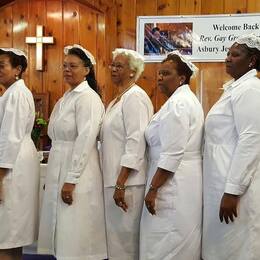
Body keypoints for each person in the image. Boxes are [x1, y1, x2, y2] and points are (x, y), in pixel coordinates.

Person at [37, 44, 107, 260]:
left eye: (73, 66)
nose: (67, 69)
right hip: (61, 163)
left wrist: (71, 179)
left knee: (76, 233)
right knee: (63, 233)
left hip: (79, 170)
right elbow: (56, 136)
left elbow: (85, 140)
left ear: (87, 69)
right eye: (65, 65)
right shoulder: (66, 97)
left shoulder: (88, 98)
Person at [140, 51, 204, 260]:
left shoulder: (179, 104)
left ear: (181, 78)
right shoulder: (180, 100)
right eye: (159, 73)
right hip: (179, 178)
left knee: (167, 241)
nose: (160, 77)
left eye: (166, 73)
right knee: (170, 238)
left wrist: (153, 189)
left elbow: (173, 153)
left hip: (173, 181)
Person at [202, 34, 260, 260]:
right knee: (222, 246)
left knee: (236, 247)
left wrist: (232, 191)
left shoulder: (251, 90)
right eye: (227, 53)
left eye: (235, 55)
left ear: (252, 60)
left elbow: (251, 140)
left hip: (235, 188)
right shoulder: (235, 89)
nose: (227, 58)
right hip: (221, 180)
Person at [101, 48, 153, 260]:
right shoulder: (118, 99)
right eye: (112, 64)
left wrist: (121, 182)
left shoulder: (135, 98)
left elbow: (136, 142)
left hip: (128, 183)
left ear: (133, 71)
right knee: (115, 244)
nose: (113, 68)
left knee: (126, 245)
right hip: (114, 180)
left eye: (119, 65)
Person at [0, 48, 39, 260]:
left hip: (11, 164)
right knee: (11, 232)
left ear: (18, 69)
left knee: (5, 233)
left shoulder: (15, 94)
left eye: (2, 65)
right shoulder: (14, 92)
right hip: (17, 159)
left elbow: (10, 137)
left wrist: (0, 176)